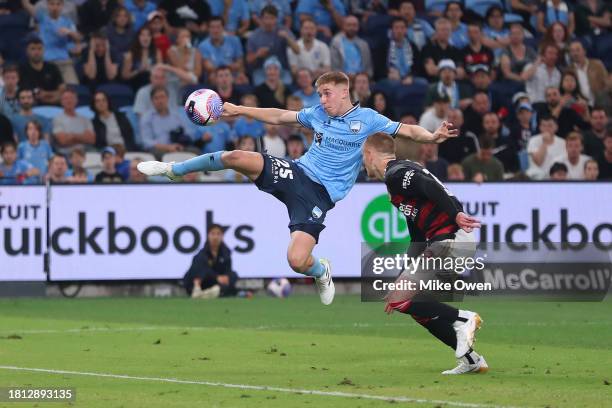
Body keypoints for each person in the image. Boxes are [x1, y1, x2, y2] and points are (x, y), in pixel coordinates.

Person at [138, 71, 458, 305]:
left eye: (326, 94)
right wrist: (236, 109)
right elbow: (279, 115)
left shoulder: (368, 119)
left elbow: (407, 130)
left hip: (320, 196)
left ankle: (320, 271)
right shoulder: (318, 114)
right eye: (319, 95)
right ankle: (173, 170)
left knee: (296, 259)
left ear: (344, 92)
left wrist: (431, 136)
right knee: (236, 157)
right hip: (296, 172)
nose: (321, 100)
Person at [361, 132, 488, 375]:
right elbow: (417, 237)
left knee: (401, 300)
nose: (363, 163)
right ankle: (472, 360)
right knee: (411, 305)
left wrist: (455, 215)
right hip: (443, 242)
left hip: (451, 239)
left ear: (369, 154)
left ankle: (464, 319)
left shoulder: (395, 173)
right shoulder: (397, 182)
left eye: (363, 157)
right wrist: (402, 276)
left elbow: (428, 185)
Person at [21, 0, 82, 85]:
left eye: (58, 4)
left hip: (64, 62)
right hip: (46, 62)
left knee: (74, 88)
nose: (55, 7)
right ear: (47, 5)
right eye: (52, 4)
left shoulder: (68, 22)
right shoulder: (42, 18)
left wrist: (69, 32)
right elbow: (26, 5)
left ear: (62, 6)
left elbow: (78, 38)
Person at [183, 224, 238, 299]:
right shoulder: (201, 254)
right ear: (208, 236)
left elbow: (227, 270)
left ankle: (209, 293)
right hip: (202, 282)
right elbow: (200, 271)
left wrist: (226, 277)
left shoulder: (226, 253)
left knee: (233, 275)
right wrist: (216, 277)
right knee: (201, 272)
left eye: (218, 234)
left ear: (222, 236)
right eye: (213, 234)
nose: (215, 237)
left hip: (215, 284)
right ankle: (200, 292)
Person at [139, 86, 193, 156]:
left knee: (194, 151)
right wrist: (167, 147)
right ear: (152, 101)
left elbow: (186, 133)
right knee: (159, 154)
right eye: (156, 98)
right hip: (158, 150)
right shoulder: (146, 118)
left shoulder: (176, 116)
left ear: (167, 98)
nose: (160, 101)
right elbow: (147, 142)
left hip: (177, 147)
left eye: (162, 97)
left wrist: (181, 145)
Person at [198, 17, 247, 86]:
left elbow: (240, 62)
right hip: (215, 74)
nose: (215, 30)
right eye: (212, 27)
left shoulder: (235, 40)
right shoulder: (202, 45)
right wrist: (227, 68)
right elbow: (208, 67)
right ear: (208, 29)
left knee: (243, 78)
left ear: (223, 28)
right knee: (214, 77)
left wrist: (239, 73)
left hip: (233, 72)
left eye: (218, 27)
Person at [18, 37, 65, 105]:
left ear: (44, 50)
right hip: (32, 106)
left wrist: (46, 93)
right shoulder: (22, 69)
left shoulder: (52, 67)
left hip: (54, 104)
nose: (36, 52)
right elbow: (24, 93)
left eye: (39, 49)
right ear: (27, 51)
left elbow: (62, 90)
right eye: (33, 49)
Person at [52, 88, 96, 155]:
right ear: (61, 102)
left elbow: (91, 139)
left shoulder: (85, 119)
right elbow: (63, 141)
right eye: (66, 98)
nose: (69, 101)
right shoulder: (57, 119)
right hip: (66, 153)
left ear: (76, 100)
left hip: (85, 152)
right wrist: (82, 137)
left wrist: (72, 136)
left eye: (71, 98)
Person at [121, 25, 162, 91]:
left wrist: (152, 69)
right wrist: (138, 71)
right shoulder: (131, 55)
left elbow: (161, 71)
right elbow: (125, 75)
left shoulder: (157, 52)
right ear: (138, 38)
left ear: (151, 38)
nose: (145, 38)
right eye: (142, 35)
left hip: (153, 82)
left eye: (148, 35)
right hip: (136, 82)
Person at [526, 115, 567, 179]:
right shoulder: (533, 140)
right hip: (537, 176)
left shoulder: (563, 142)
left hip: (556, 177)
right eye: (544, 126)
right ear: (540, 127)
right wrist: (544, 143)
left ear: (556, 127)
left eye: (550, 126)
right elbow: (538, 162)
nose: (547, 129)